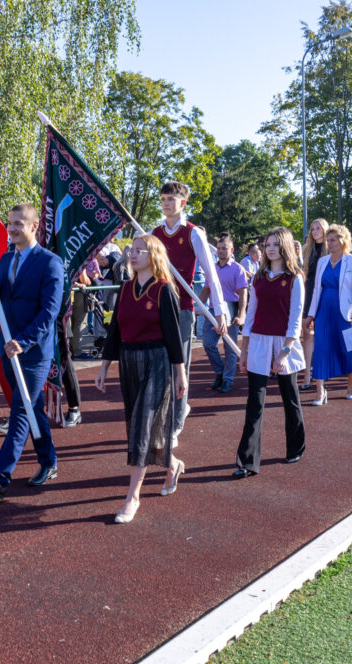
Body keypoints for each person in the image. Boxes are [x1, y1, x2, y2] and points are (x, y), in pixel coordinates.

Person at [0, 203, 64, 499]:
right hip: (7, 348)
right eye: (10, 223)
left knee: (21, 410)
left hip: (32, 352)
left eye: (19, 223)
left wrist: (23, 341)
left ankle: (1, 475)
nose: (12, 228)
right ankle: (49, 461)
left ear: (34, 226)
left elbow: (50, 312)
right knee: (32, 407)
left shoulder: (50, 262)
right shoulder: (4, 259)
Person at [95, 234, 187, 522]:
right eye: (131, 251)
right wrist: (104, 365)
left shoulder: (164, 290)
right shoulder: (124, 289)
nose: (132, 255)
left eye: (140, 251)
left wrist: (180, 372)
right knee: (139, 423)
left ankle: (132, 497)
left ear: (154, 255)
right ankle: (171, 464)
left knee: (142, 426)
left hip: (157, 360)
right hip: (129, 359)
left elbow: (175, 336)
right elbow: (114, 332)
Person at [150, 181, 228, 445]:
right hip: (159, 308)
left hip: (183, 308)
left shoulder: (193, 233)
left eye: (171, 199)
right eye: (163, 199)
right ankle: (168, 414)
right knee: (159, 365)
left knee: (179, 365)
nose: (166, 203)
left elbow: (211, 273)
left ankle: (176, 421)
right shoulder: (153, 232)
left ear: (182, 203)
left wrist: (220, 312)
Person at [234, 226, 306, 477]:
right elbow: (251, 313)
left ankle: (295, 447)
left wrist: (285, 352)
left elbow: (296, 318)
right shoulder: (258, 277)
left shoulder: (295, 277)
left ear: (284, 246)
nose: (271, 248)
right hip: (258, 343)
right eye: (268, 244)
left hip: (284, 344)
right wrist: (244, 350)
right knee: (255, 402)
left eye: (275, 244)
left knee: (290, 399)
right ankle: (247, 462)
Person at [306, 224, 352, 404]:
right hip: (324, 309)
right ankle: (320, 390)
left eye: (332, 240)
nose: (328, 243)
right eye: (327, 240)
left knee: (348, 346)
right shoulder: (323, 261)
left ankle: (351, 380)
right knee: (322, 348)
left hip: (344, 312)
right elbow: (316, 289)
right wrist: (311, 314)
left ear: (342, 240)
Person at [200, 235, 248, 393]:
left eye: (224, 248)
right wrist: (194, 307)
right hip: (214, 310)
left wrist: (241, 315)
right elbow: (206, 290)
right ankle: (220, 372)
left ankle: (227, 380)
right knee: (208, 344)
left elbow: (243, 294)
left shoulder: (237, 269)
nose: (221, 251)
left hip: (231, 310)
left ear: (231, 250)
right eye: (219, 248)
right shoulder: (211, 269)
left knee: (230, 347)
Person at [300, 218, 328, 388]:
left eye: (318, 228)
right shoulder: (307, 249)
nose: (315, 231)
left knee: (323, 334)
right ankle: (306, 375)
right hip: (310, 292)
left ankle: (322, 371)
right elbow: (304, 273)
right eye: (313, 228)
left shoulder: (332, 248)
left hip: (326, 291)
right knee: (307, 334)